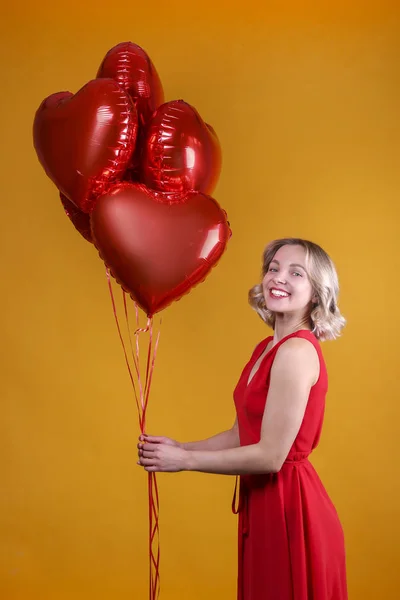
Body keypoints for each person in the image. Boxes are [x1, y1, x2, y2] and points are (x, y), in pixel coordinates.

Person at [137, 237, 348, 600]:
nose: (278, 278)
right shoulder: (266, 349)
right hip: (265, 503)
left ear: (316, 293)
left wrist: (186, 461)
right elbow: (242, 434)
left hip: (290, 510)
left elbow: (270, 456)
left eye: (296, 273)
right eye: (273, 268)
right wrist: (178, 448)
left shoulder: (297, 351)